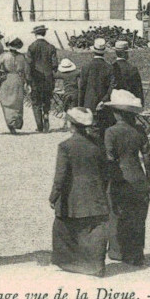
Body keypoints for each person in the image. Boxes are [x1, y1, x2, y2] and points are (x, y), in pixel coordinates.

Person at [49, 107, 110, 276]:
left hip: (72, 195)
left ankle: (70, 262)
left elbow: (60, 176)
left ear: (71, 124)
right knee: (95, 227)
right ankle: (96, 265)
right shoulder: (98, 145)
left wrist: (53, 196)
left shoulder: (65, 147)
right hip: (96, 192)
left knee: (64, 226)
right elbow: (106, 171)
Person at [102, 90, 150, 266]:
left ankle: (118, 251)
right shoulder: (139, 130)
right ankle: (137, 252)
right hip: (139, 177)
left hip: (120, 177)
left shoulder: (111, 132)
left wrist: (107, 179)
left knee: (117, 214)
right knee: (138, 216)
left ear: (117, 113)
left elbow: (109, 159)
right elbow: (147, 156)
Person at [0, 37, 30, 134]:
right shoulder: (22, 57)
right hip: (18, 79)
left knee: (6, 101)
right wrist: (27, 81)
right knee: (17, 101)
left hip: (7, 79)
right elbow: (27, 70)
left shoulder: (4, 56)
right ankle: (16, 121)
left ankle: (10, 122)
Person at [77, 38, 115, 134]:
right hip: (104, 105)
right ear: (104, 52)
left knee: (90, 132)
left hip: (89, 103)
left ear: (93, 51)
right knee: (103, 131)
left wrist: (80, 105)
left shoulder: (86, 67)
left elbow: (82, 88)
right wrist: (104, 100)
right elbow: (112, 87)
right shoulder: (109, 67)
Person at [27, 25, 59, 133]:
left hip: (36, 78)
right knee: (46, 99)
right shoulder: (51, 47)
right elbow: (55, 65)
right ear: (44, 34)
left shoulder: (31, 47)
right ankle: (46, 114)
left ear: (35, 34)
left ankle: (39, 125)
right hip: (48, 78)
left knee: (36, 102)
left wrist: (28, 79)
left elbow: (29, 64)